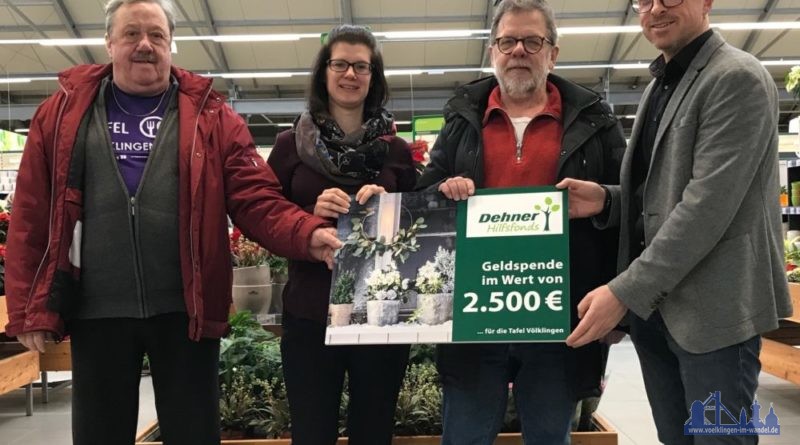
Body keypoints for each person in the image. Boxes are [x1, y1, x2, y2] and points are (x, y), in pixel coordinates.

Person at [2, 1, 341, 444]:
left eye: (156, 36)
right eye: (131, 34)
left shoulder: (211, 115)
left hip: (187, 311)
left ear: (170, 44)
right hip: (96, 312)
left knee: (194, 434)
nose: (145, 45)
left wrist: (307, 232)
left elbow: (255, 196)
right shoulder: (62, 114)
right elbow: (31, 211)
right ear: (109, 42)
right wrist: (29, 308)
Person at [559, 0, 793, 444]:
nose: (655, 9)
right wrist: (607, 200)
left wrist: (622, 291)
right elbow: (662, 193)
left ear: (706, 2)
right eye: (644, 1)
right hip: (659, 313)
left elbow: (706, 207)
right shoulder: (662, 83)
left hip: (715, 314)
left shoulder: (736, 78)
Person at [415, 1, 625, 443]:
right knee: (464, 437)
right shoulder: (460, 121)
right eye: (508, 41)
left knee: (551, 437)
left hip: (558, 319)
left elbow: (632, 204)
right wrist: (443, 190)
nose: (519, 51)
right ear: (493, 51)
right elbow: (425, 200)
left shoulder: (595, 123)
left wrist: (605, 202)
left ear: (554, 53)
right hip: (474, 319)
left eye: (533, 41)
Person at [267, 25, 416, 445]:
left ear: (374, 76)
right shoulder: (289, 146)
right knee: (312, 432)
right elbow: (264, 217)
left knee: (375, 430)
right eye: (340, 64)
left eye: (361, 66)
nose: (350, 74)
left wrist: (390, 208)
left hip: (381, 317)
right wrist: (307, 216)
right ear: (324, 72)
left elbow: (421, 229)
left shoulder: (397, 152)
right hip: (310, 314)